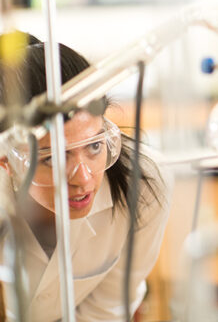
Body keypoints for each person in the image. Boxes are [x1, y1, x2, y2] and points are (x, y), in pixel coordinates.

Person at [0, 32, 172, 321]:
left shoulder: (144, 184)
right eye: (53, 157)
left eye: (94, 146)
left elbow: (108, 309)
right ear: (7, 160)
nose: (83, 178)